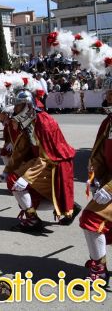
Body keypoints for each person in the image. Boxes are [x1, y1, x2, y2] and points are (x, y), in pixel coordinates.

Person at [5, 89, 79, 231]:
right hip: (40, 162)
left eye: (18, 105)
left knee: (16, 181)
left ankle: (33, 219)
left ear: (27, 106)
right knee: (13, 179)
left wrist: (26, 177)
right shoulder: (30, 121)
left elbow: (49, 156)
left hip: (54, 164)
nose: (15, 109)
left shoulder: (44, 122)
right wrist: (7, 169)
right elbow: (23, 148)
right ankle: (68, 205)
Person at [80, 88, 112, 284]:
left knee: (92, 218)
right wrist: (96, 176)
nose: (108, 96)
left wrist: (110, 189)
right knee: (91, 220)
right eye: (109, 92)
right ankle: (100, 267)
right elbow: (101, 154)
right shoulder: (108, 122)